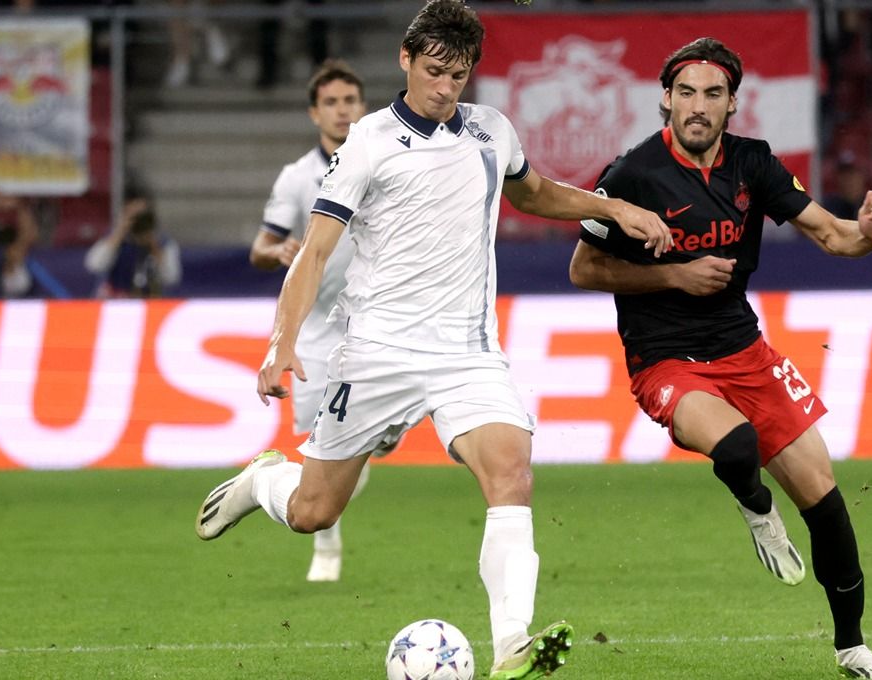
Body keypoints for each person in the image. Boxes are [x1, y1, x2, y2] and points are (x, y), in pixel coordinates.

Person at [193, 2, 671, 679]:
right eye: (436, 71)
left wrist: (612, 206)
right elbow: (316, 253)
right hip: (377, 354)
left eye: (460, 74)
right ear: (407, 60)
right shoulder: (367, 142)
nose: (447, 88)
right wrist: (282, 342)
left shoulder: (489, 130)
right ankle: (265, 478)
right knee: (312, 510)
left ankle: (512, 647)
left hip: (467, 353)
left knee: (511, 473)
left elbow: (533, 194)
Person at [568, 37, 872, 679]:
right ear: (665, 99)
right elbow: (584, 268)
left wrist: (868, 234)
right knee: (738, 446)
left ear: (732, 105)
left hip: (744, 349)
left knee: (826, 500)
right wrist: (673, 276)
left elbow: (834, 235)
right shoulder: (631, 175)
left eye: (713, 95)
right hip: (665, 358)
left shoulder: (754, 165)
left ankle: (852, 646)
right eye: (686, 93)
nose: (698, 107)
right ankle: (755, 508)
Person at [248, 58, 366, 582]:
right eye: (332, 103)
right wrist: (278, 253)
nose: (343, 111)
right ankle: (327, 544)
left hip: (373, 320)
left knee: (372, 442)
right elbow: (260, 246)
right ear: (314, 113)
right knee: (324, 445)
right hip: (317, 328)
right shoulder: (297, 178)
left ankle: (317, 510)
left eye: (350, 101)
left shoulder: (384, 159)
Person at [84, 190, 181, 298]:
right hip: (115, 301)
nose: (138, 222)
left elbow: (171, 278)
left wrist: (154, 246)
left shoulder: (163, 243)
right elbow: (94, 266)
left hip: (148, 302)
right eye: (134, 216)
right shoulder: (114, 238)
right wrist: (119, 233)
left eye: (142, 217)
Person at [0, 176, 36, 299]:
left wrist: (21, 207)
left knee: (17, 279)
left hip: (4, 292)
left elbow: (30, 235)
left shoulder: (7, 233)